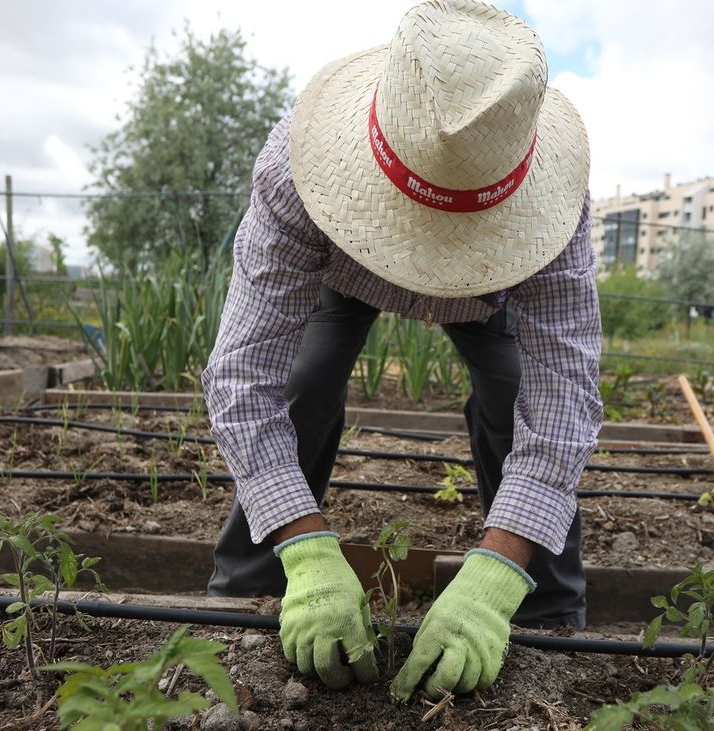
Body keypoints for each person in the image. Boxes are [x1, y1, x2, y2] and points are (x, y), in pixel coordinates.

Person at [201, 0, 601, 702]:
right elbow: (242, 372)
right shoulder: (298, 167)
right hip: (347, 267)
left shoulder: (556, 207)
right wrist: (308, 544)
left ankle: (542, 606)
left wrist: (496, 569)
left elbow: (565, 392)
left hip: (488, 292)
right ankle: (254, 582)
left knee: (513, 391)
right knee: (303, 378)